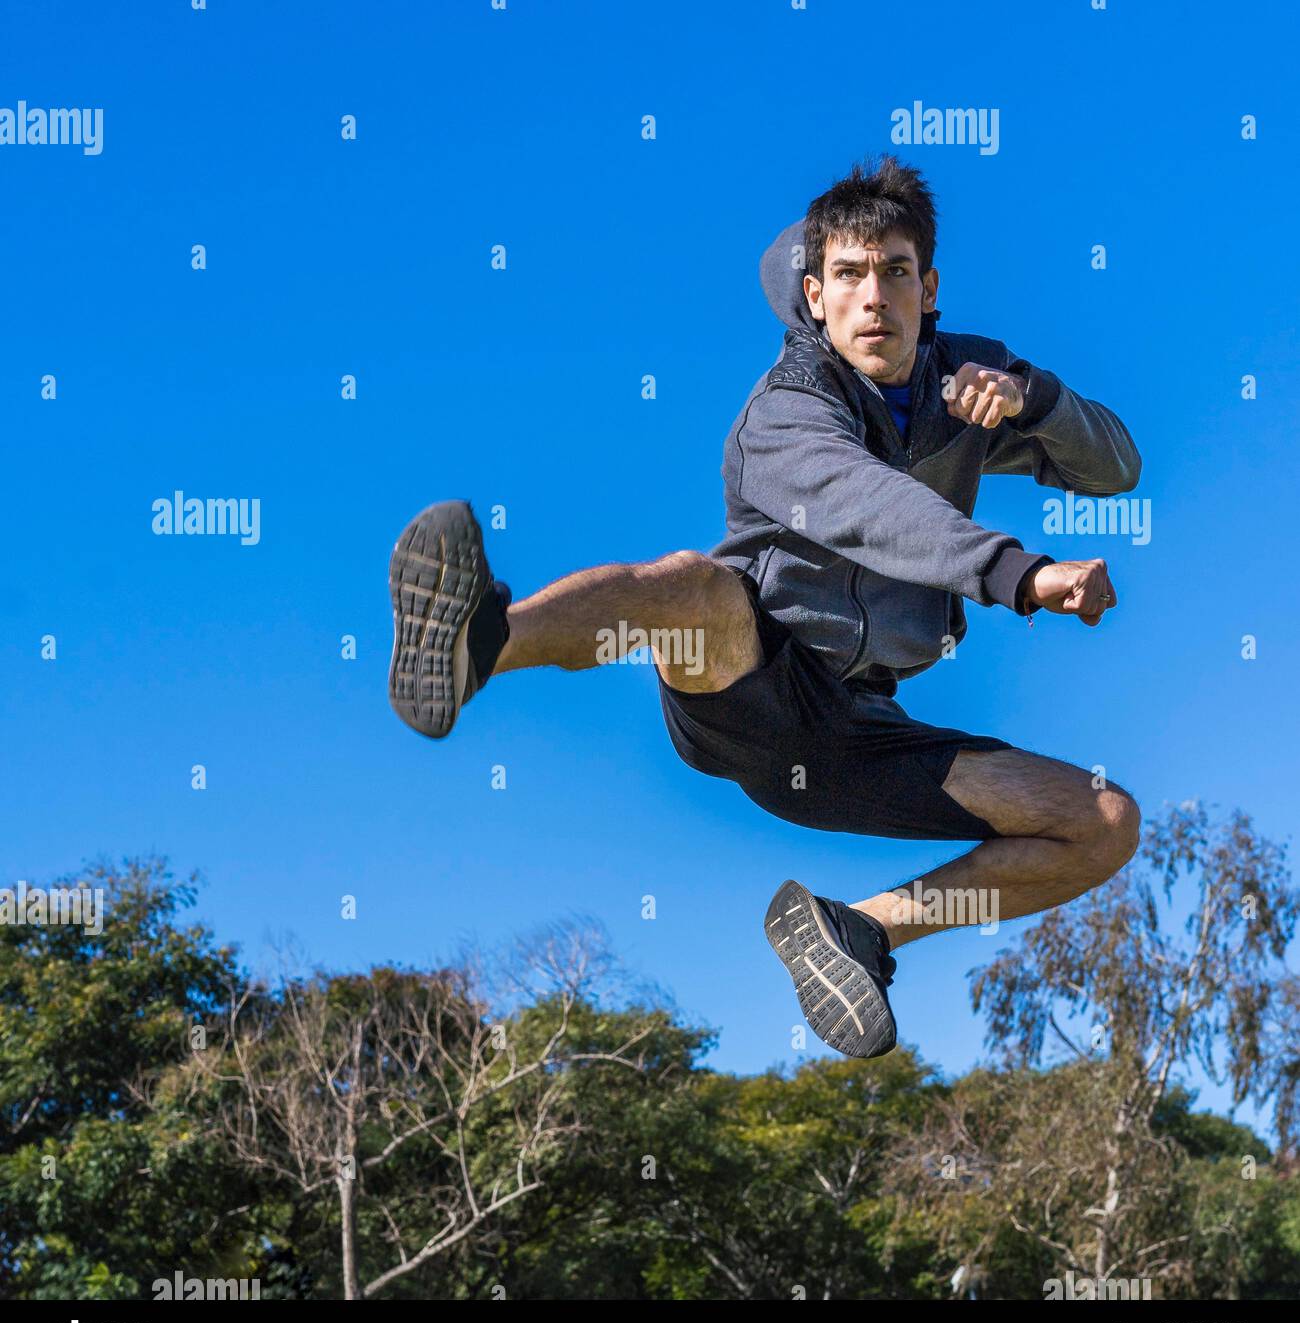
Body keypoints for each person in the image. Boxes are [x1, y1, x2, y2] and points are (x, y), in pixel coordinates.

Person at [386, 155, 1143, 1061]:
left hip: (861, 731)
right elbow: (874, 509)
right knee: (698, 588)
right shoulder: (787, 412)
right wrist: (1019, 575)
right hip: (753, 682)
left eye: (896, 273)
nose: (875, 299)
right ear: (815, 295)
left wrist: (1038, 400)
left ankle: (862, 933)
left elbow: (1117, 470)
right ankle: (480, 640)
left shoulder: (963, 384)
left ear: (928, 288)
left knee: (1102, 822)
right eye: (851, 277)